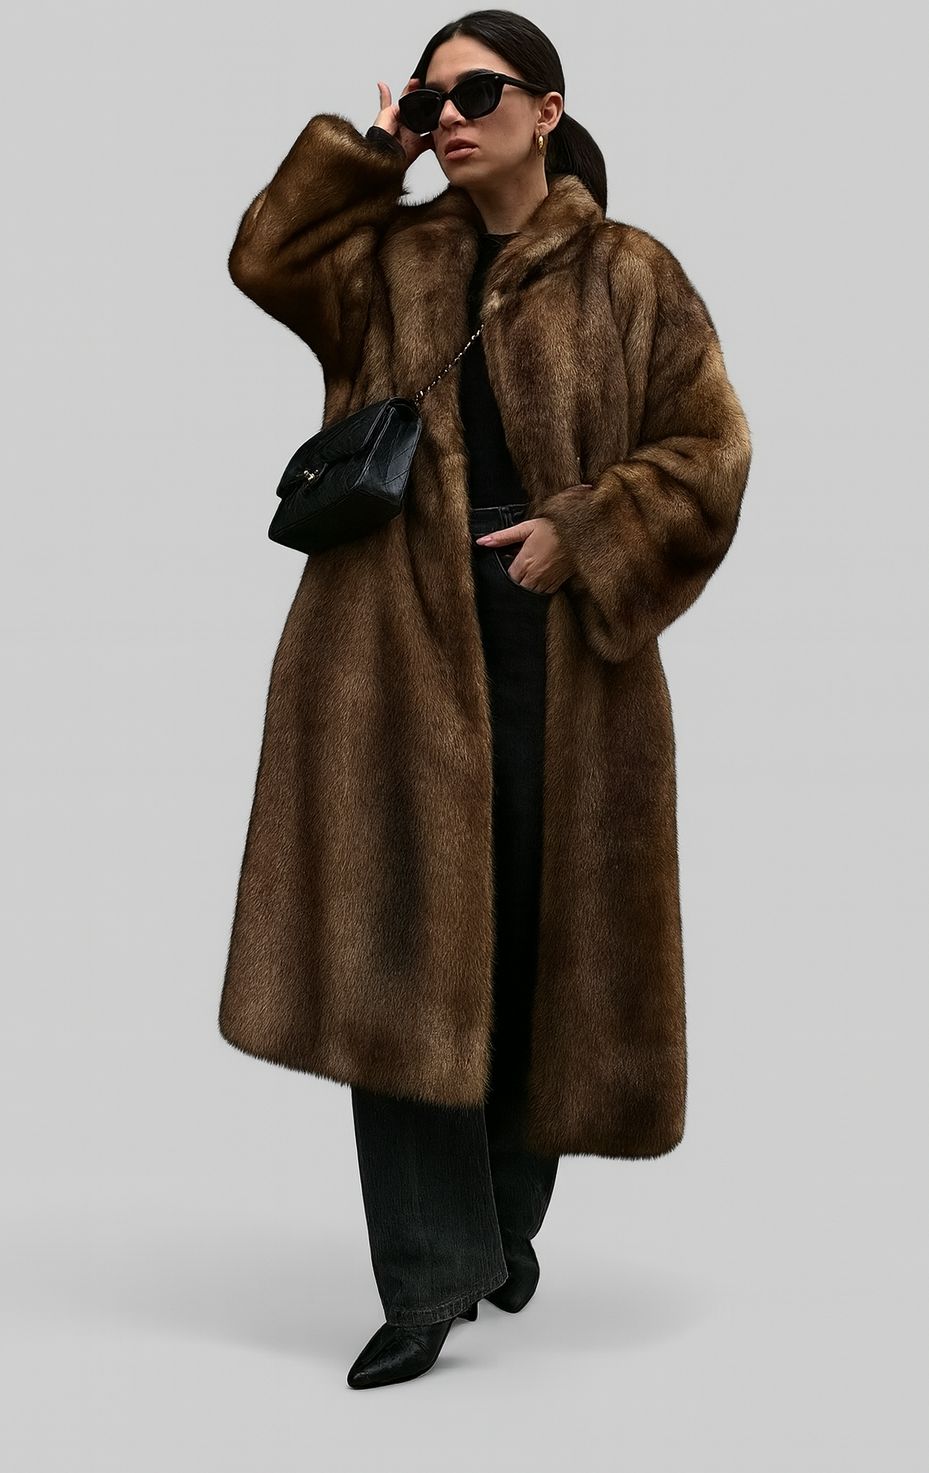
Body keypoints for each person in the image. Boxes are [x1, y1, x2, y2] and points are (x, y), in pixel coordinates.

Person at [219, 9, 751, 1390]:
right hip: (387, 654)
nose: (449, 116)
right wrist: (371, 151)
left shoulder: (633, 274)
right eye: (430, 98)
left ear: (547, 107)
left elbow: (711, 450)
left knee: (535, 942)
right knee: (402, 949)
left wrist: (589, 529)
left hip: (564, 655)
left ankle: (505, 1224)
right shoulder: (389, 261)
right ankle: (425, 1277)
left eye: (477, 92)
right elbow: (265, 259)